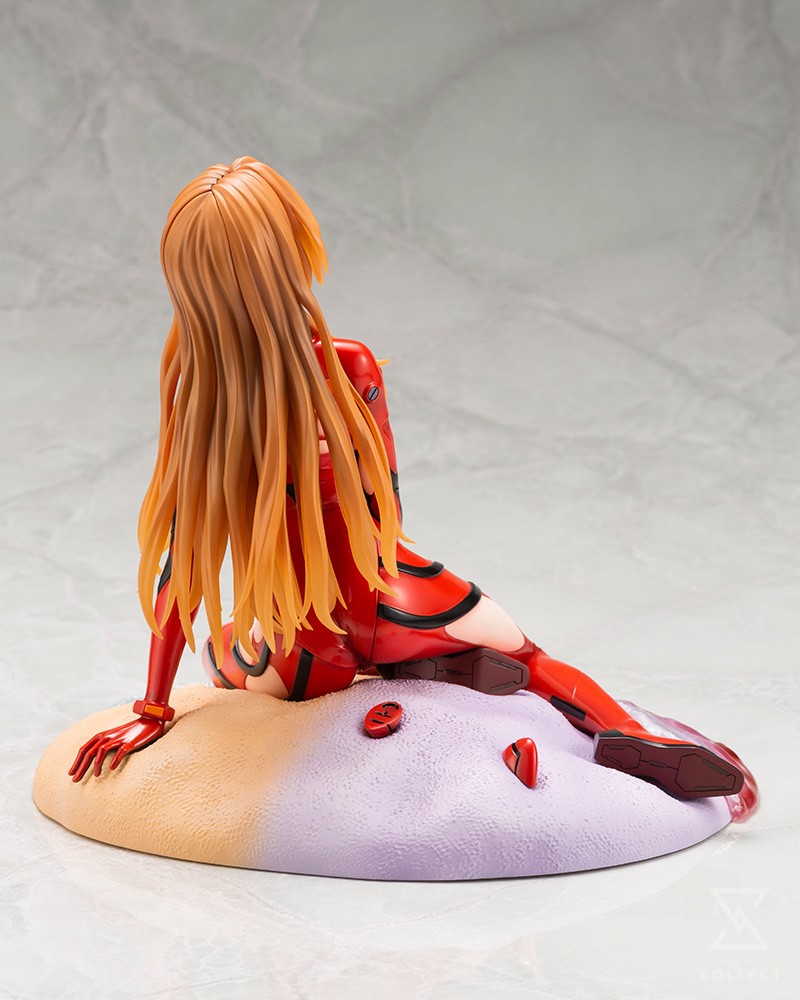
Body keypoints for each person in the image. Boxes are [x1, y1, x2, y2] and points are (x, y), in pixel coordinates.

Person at [69, 157, 749, 803]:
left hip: (306, 642)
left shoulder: (202, 401)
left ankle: (401, 672)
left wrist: (153, 709)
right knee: (530, 656)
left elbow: (182, 567)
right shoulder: (349, 367)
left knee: (224, 656)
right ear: (288, 253)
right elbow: (384, 509)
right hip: (396, 603)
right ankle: (621, 730)